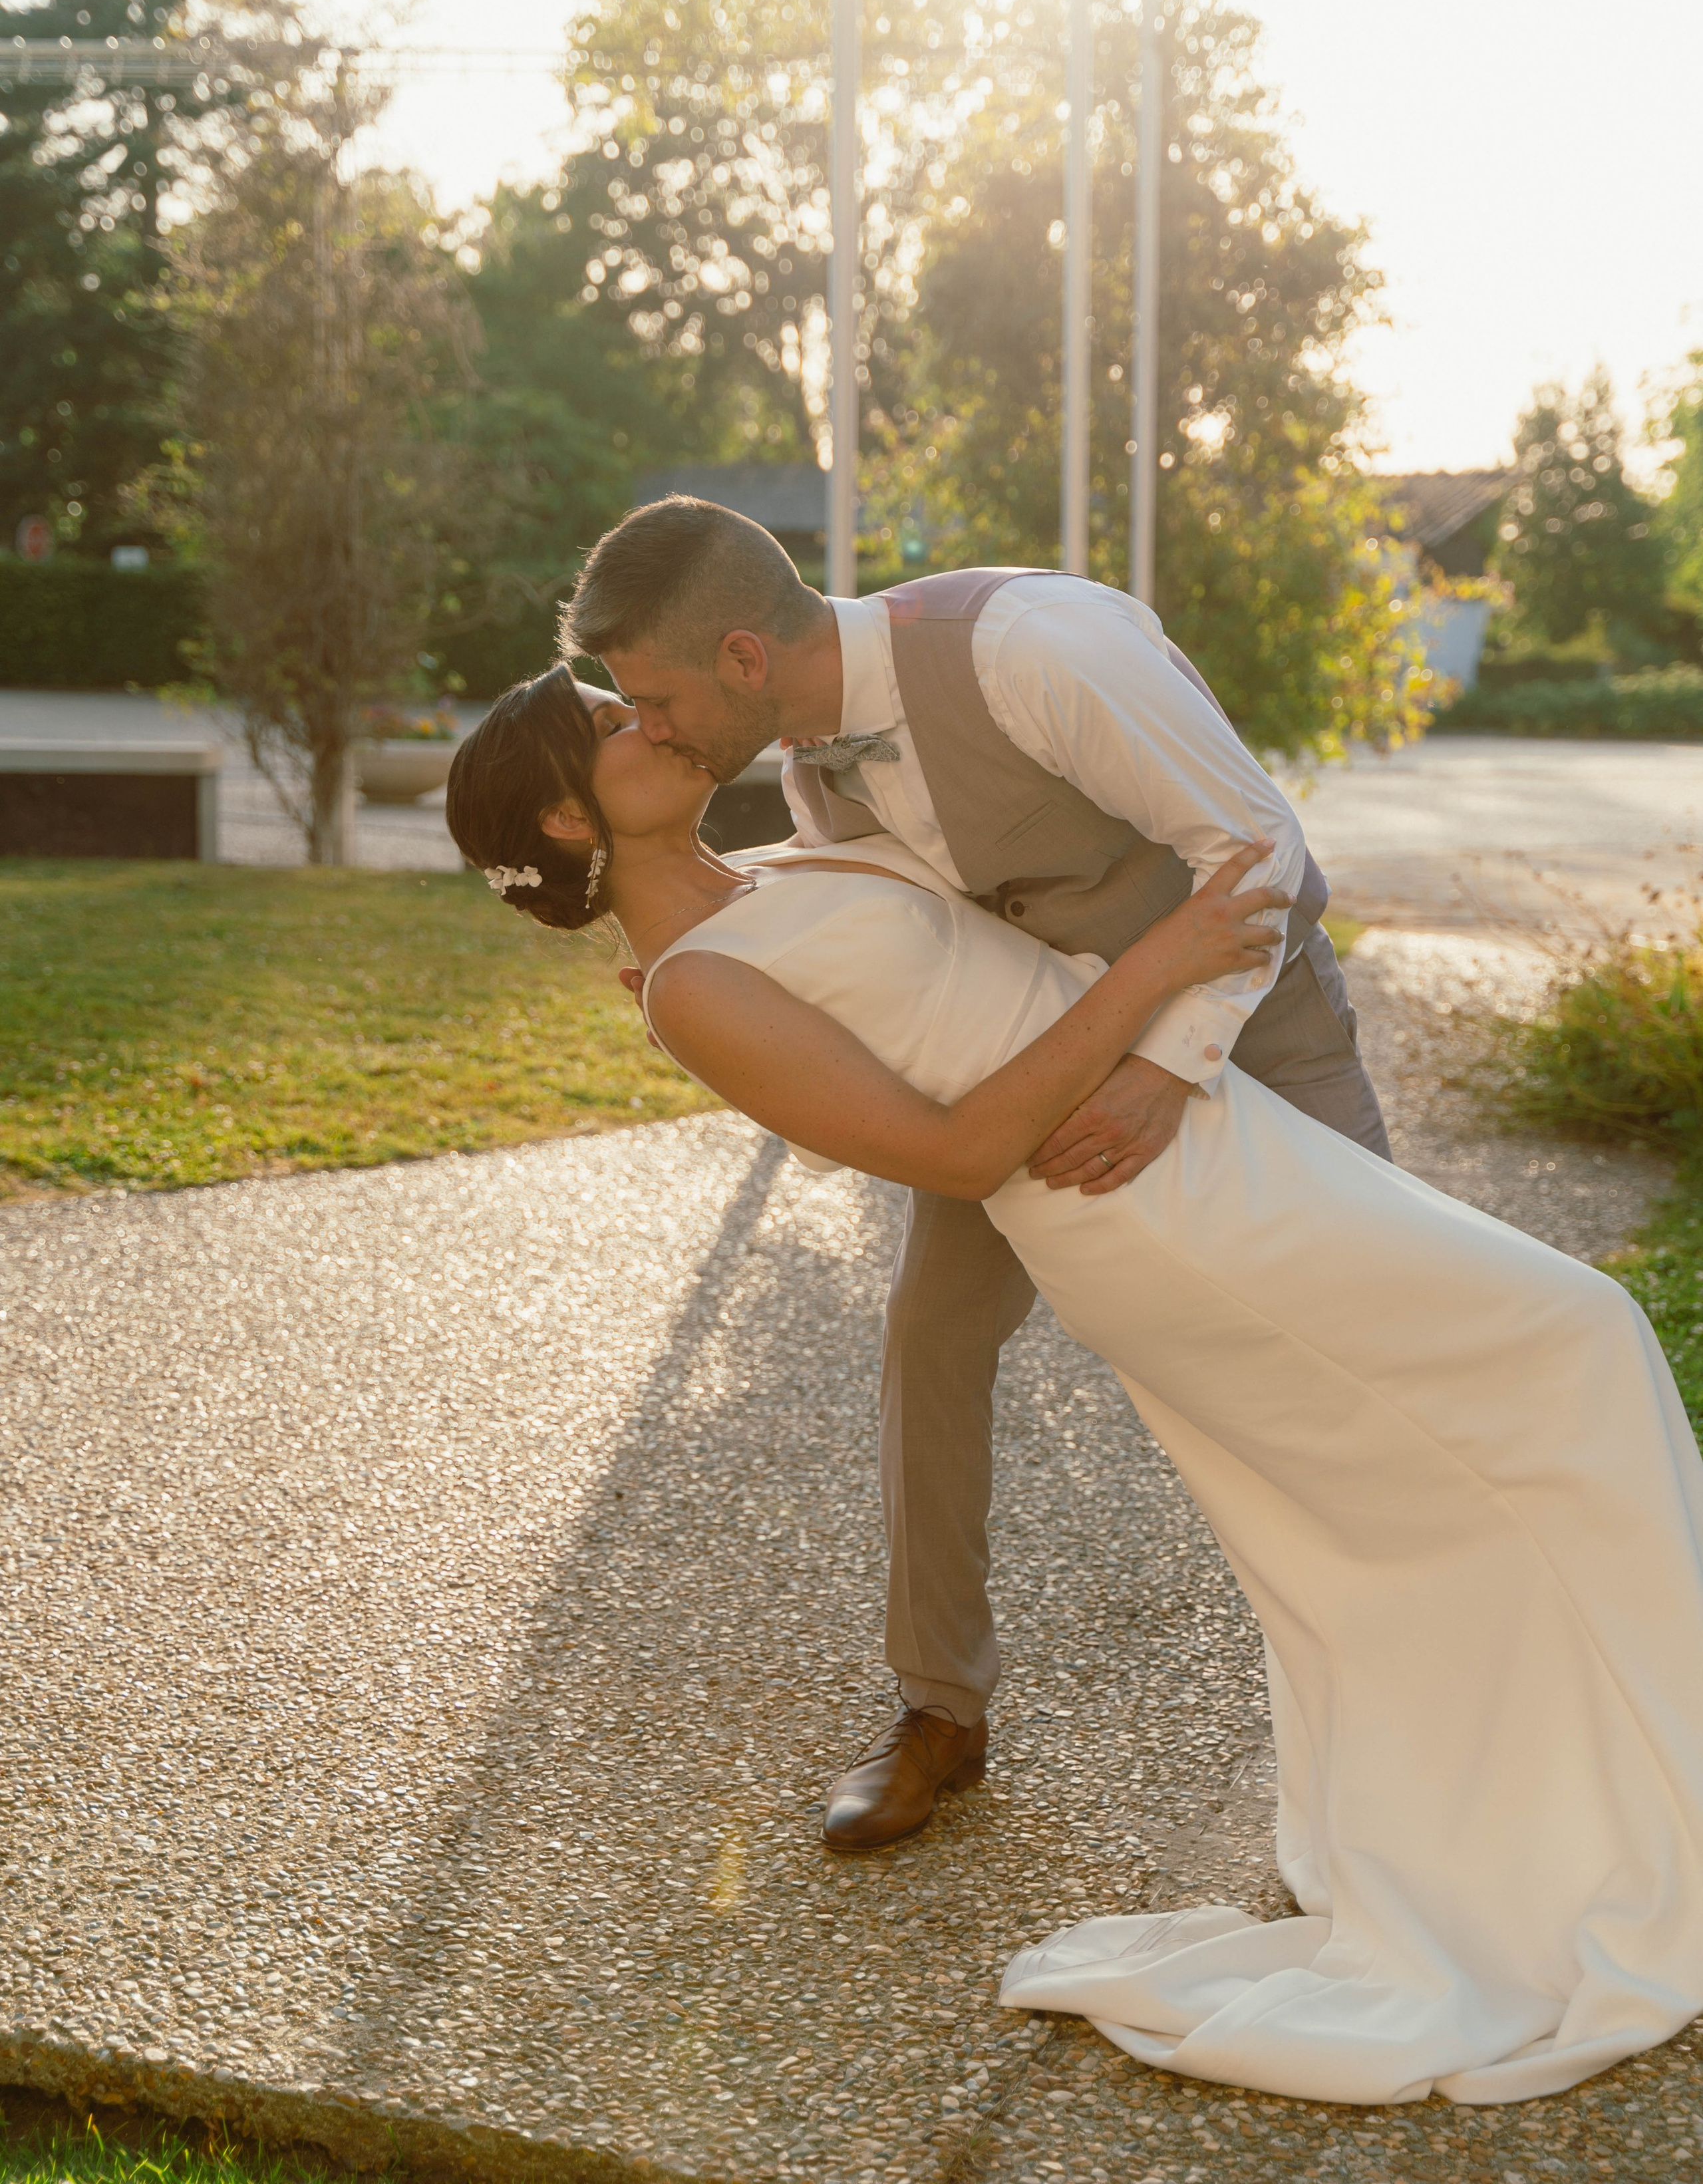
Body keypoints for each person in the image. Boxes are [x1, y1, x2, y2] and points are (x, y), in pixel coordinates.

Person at [444, 660, 1703, 2106]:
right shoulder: (692, 988)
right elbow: (956, 1154)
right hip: (1146, 1215)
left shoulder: (783, 859)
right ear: (564, 817)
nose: (652, 718)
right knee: (1570, 1338)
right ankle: (1579, 1838)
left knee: (1440, 1472)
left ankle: (1581, 1813)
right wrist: (1160, 969)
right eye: (613, 724)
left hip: (1208, 1134)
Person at [560, 496, 1389, 1851]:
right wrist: (686, 960)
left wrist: (1164, 1067)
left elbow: (1260, 854)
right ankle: (940, 1708)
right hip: (1038, 1065)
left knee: (1357, 1347)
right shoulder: (815, 769)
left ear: (742, 658)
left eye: (653, 699)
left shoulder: (1032, 650)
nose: (649, 728)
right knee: (929, 1334)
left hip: (1252, 1021)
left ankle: (1389, 1702)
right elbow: (883, 916)